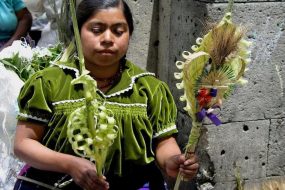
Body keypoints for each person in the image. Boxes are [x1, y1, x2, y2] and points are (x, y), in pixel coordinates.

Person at [13, 0, 199, 189]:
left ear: (130, 34)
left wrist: (173, 160)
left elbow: (164, 143)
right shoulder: (48, 83)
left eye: (118, 31)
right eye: (96, 30)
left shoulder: (149, 88)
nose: (108, 38)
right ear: (76, 32)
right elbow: (24, 143)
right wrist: (70, 164)